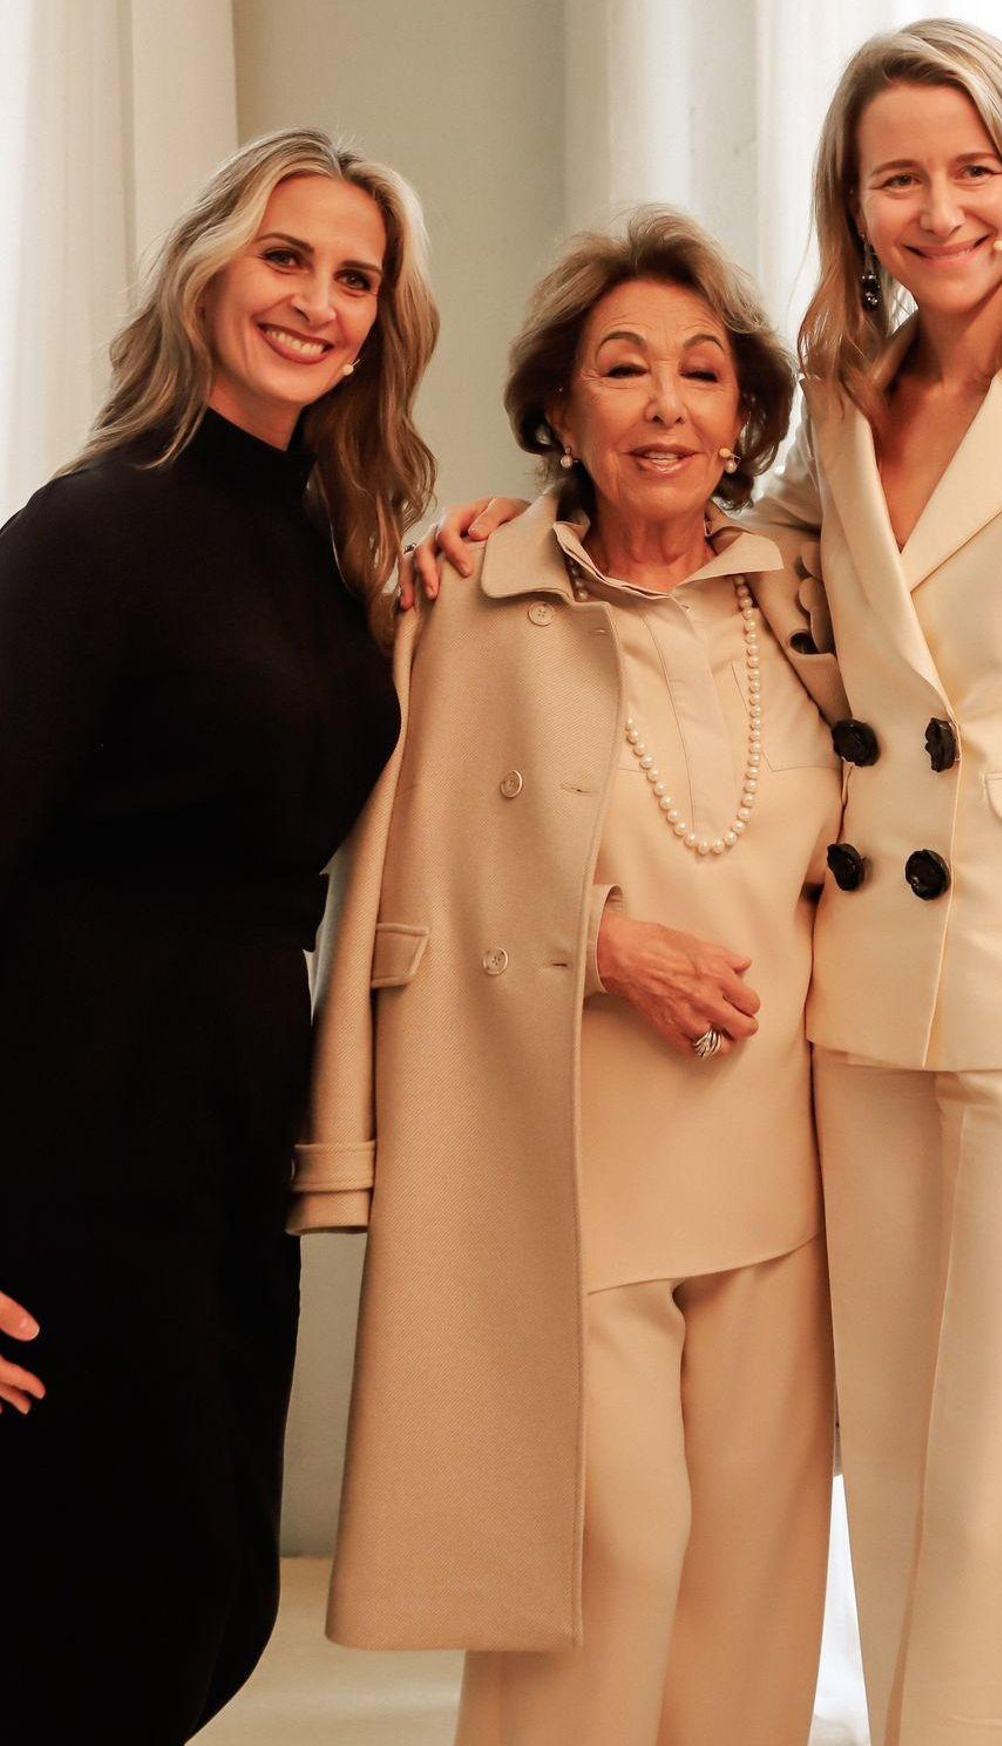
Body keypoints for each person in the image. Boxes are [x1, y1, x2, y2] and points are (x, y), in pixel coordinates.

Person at [417, 22, 1002, 1745]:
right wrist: (502, 525)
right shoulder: (846, 404)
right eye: (899, 180)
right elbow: (695, 538)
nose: (943, 208)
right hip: (851, 1012)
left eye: (972, 167)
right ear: (854, 210)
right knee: (886, 1496)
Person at [292, 208, 844, 1746]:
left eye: (703, 373)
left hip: (782, 1184)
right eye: (623, 370)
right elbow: (409, 870)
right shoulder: (468, 598)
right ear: (558, 410)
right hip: (570, 1176)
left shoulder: (811, 597)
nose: (666, 405)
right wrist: (597, 944)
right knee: (603, 1563)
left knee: (755, 1590)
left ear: (746, 416)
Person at [0, 128, 438, 1743]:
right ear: (207, 269)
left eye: (355, 276)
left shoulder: (332, 562)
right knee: (82, 1618)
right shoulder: (89, 534)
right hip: (64, 1146)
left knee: (204, 1601)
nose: (317, 302)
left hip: (228, 1143)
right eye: (285, 256)